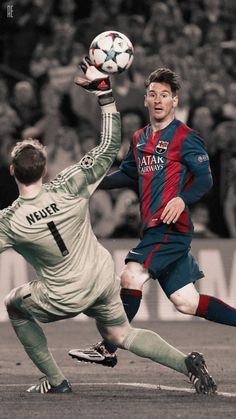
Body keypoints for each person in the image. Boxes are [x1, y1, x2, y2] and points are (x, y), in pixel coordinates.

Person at [2, 59, 216, 395]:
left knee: (13, 303)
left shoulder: (9, 221)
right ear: (44, 171)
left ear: (12, 171)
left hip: (64, 293)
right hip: (101, 277)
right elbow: (106, 146)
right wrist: (104, 94)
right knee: (121, 334)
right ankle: (186, 364)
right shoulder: (71, 182)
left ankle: (57, 381)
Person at [70, 66, 236, 370]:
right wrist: (93, 181)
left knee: (131, 275)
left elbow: (205, 179)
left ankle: (107, 349)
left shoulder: (187, 137)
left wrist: (181, 198)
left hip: (170, 228)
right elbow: (129, 174)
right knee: (187, 302)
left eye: (165, 95)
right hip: (154, 229)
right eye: (153, 94)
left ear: (174, 101)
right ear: (145, 99)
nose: (158, 100)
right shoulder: (139, 138)